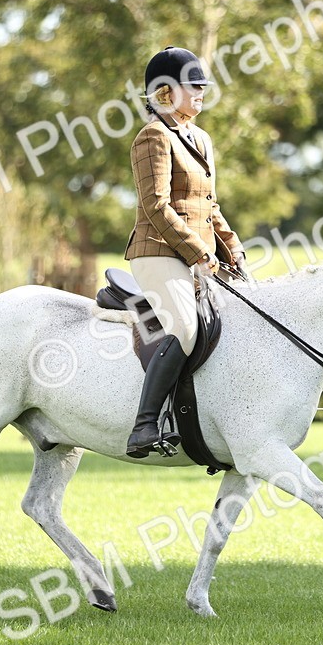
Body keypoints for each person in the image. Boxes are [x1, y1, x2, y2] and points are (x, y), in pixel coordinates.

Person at [123, 45, 249, 458]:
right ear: (165, 91)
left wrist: (232, 246)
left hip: (196, 253)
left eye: (202, 86)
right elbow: (155, 206)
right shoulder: (153, 137)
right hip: (158, 251)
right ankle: (144, 425)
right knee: (186, 327)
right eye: (193, 86)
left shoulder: (202, 139)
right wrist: (197, 252)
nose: (201, 92)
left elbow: (209, 205)